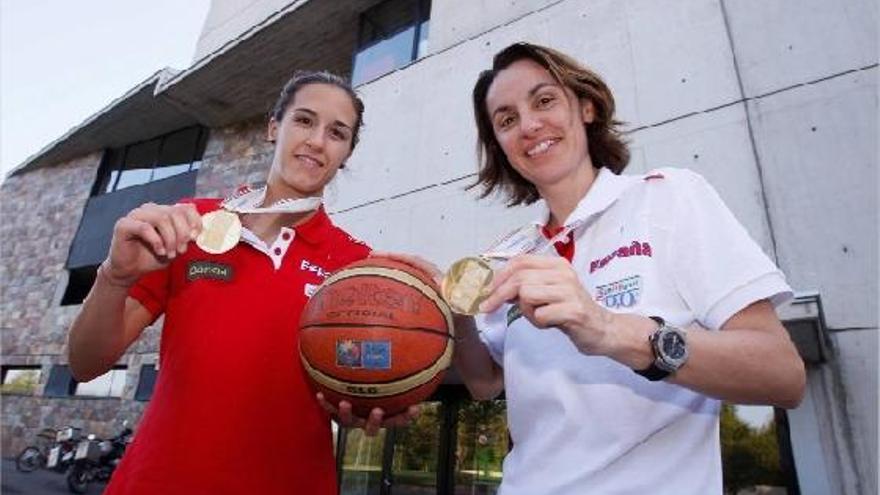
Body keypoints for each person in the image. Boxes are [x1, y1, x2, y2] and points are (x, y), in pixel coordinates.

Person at [399, 42, 806, 494]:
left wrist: (611, 330)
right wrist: (453, 311)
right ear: (501, 146)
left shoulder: (669, 198)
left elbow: (783, 374)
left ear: (587, 107)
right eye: (507, 120)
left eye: (544, 100)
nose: (530, 125)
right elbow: (485, 383)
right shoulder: (509, 254)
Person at [67, 71, 414, 495]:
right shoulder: (190, 223)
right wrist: (114, 277)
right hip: (158, 481)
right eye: (304, 121)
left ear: (346, 153)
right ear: (274, 127)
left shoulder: (356, 265)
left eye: (337, 133)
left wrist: (374, 399)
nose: (317, 141)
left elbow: (370, 365)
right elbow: (86, 364)